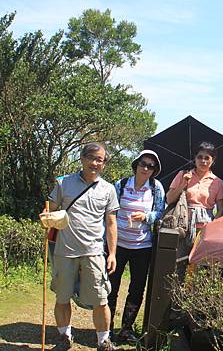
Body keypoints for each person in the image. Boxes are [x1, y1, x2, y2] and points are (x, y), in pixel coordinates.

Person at [40, 142, 119, 351]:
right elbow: (49, 210)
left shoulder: (108, 189)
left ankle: (103, 341)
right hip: (65, 251)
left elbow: (111, 223)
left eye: (99, 160)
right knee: (62, 296)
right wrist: (46, 217)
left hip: (94, 252)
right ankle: (64, 338)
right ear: (82, 159)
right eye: (91, 158)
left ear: (104, 164)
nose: (94, 163)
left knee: (101, 299)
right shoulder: (63, 183)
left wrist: (112, 253)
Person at [108, 150, 165, 343]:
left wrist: (147, 217)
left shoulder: (156, 188)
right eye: (143, 164)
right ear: (136, 164)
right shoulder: (122, 184)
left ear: (154, 170)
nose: (146, 168)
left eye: (151, 166)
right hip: (118, 245)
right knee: (110, 287)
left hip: (142, 246)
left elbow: (160, 211)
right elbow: (110, 212)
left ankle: (126, 328)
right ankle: (106, 329)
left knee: (136, 288)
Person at [167, 142, 223, 242]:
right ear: (195, 158)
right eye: (200, 157)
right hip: (181, 226)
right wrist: (183, 184)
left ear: (213, 160)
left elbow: (220, 210)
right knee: (179, 257)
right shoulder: (182, 175)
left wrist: (212, 227)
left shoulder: (217, 182)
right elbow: (169, 199)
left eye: (207, 158)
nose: (203, 161)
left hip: (205, 229)